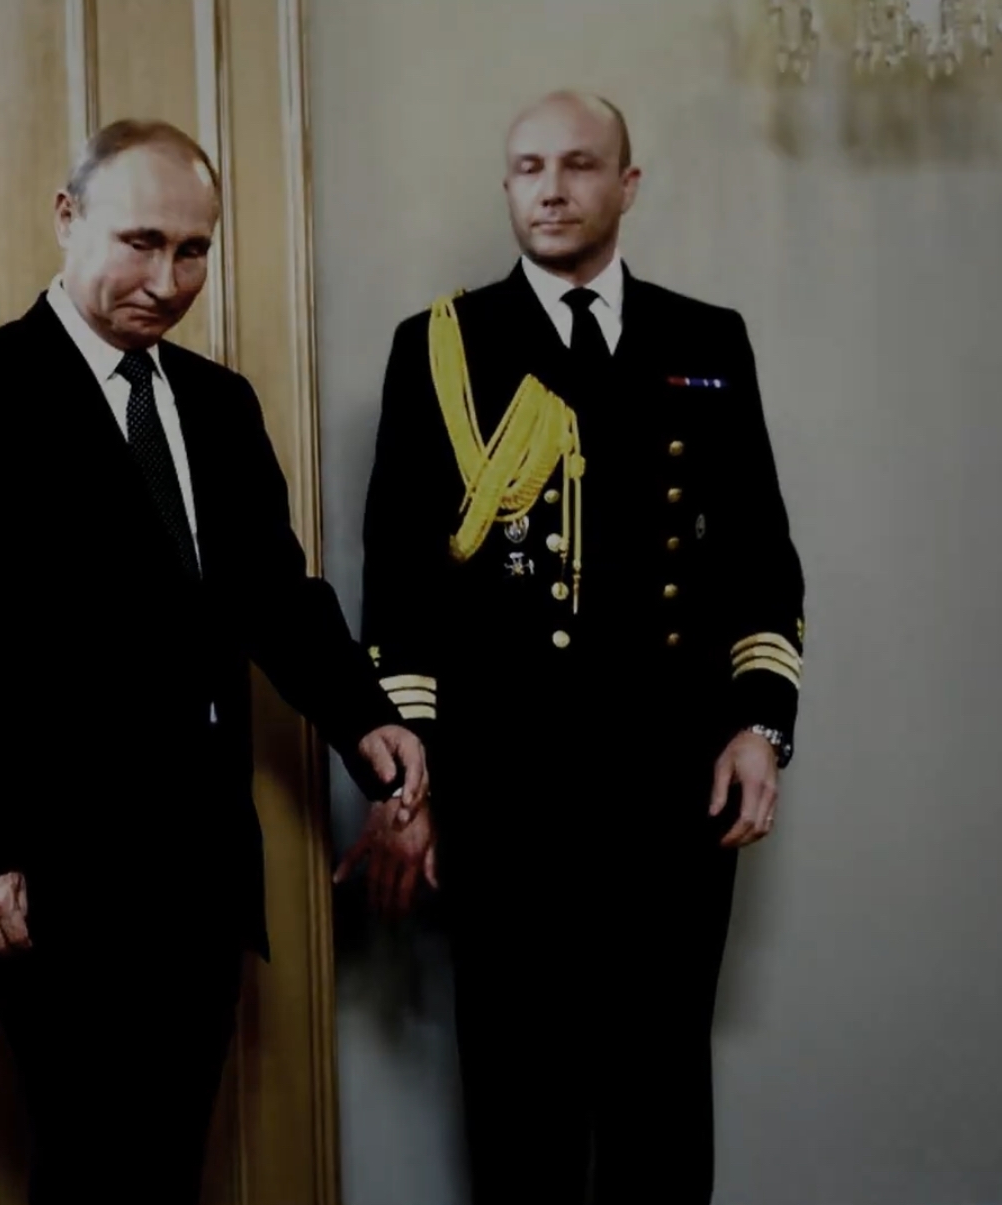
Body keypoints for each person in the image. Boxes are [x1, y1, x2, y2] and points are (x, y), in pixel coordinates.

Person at [0, 119, 428, 1204]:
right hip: (51, 881)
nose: (167, 280)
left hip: (201, 875)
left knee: (166, 1169)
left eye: (192, 249)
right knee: (92, 1171)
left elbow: (277, 595)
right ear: (66, 217)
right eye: (139, 242)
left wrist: (366, 718)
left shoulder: (219, 405)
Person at [356, 91, 806, 1204]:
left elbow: (758, 553)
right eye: (526, 167)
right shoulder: (441, 346)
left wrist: (759, 724)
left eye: (575, 164)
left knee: (661, 1098)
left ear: (626, 183)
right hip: (507, 792)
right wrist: (407, 782)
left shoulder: (704, 339)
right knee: (520, 1105)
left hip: (672, 786)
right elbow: (401, 583)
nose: (548, 189)